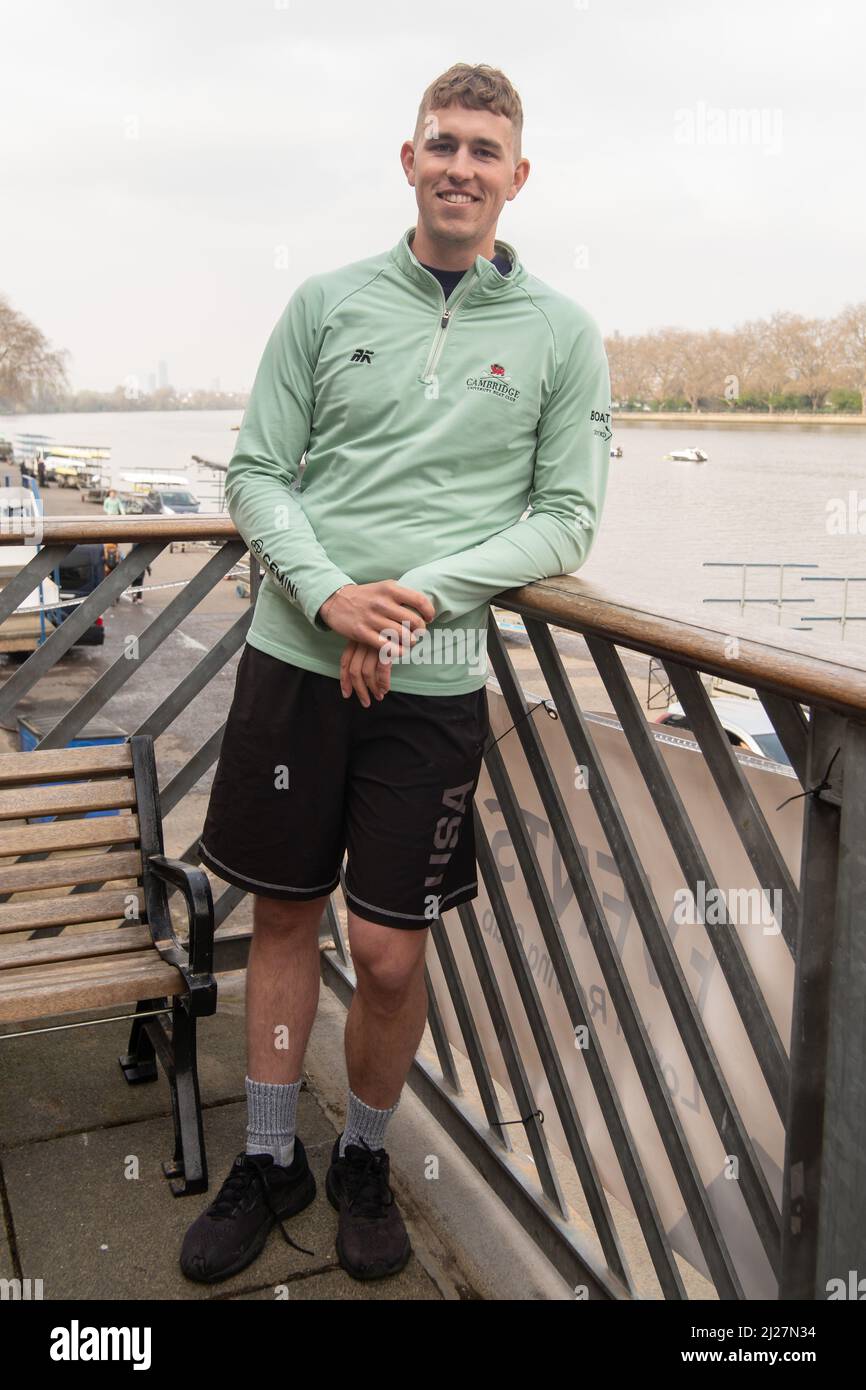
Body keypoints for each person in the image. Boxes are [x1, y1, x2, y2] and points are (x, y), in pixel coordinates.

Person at [181, 62, 611, 1286]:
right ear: (407, 160)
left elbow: (565, 517)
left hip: (431, 678)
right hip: (293, 661)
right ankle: (270, 1157)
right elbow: (258, 472)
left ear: (515, 178)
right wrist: (330, 596)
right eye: (443, 144)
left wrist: (414, 600)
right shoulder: (323, 303)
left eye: (485, 150)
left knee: (386, 950)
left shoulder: (561, 335)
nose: (460, 167)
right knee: (279, 913)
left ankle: (365, 1153)